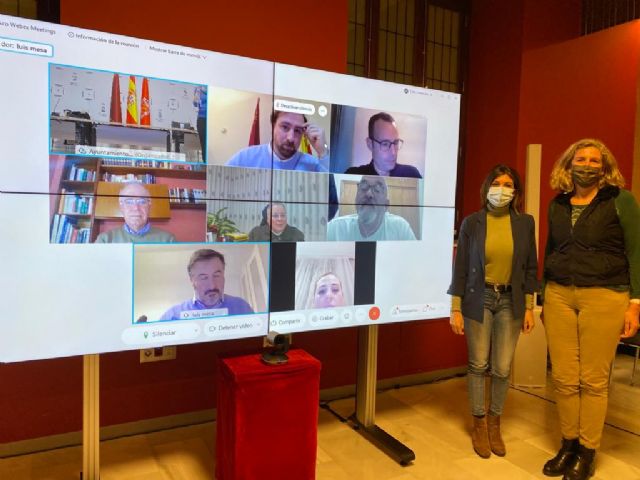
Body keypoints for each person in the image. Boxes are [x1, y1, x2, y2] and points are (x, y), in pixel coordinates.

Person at [541, 139, 640, 480]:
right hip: (559, 295)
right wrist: (544, 295)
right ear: (568, 165)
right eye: (580, 159)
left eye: (594, 160)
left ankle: (587, 451)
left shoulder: (621, 201)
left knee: (593, 380)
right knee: (564, 377)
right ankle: (568, 444)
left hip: (605, 295)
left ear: (605, 166)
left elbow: (636, 252)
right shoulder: (558, 203)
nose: (587, 165)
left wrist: (635, 304)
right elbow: (551, 250)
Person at [448, 164, 537, 459]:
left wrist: (529, 306)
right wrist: (456, 308)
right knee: (478, 364)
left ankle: (495, 423)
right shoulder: (472, 223)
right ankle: (479, 424)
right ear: (487, 188)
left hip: (511, 300)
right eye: (497, 183)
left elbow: (530, 268)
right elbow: (460, 268)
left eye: (508, 184)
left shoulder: (525, 223)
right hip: (479, 297)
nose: (502, 189)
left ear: (516, 191)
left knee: (502, 367)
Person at [160, 249, 254, 321]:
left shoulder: (242, 307)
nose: (212, 286)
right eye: (204, 277)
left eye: (216, 275)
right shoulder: (173, 315)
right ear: (192, 280)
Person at [226, 110, 329, 172]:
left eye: (297, 130)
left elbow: (333, 197)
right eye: (285, 127)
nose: (290, 138)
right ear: (273, 126)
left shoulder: (313, 165)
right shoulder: (244, 158)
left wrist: (323, 151)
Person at [327, 176, 416, 241]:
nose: (369, 193)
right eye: (363, 187)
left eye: (377, 189)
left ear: (386, 205)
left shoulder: (400, 229)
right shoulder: (334, 229)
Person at [344, 112, 421, 178]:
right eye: (385, 144)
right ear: (370, 144)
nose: (393, 152)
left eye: (396, 143)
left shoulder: (412, 174)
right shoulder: (352, 176)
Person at [95, 182, 176, 243]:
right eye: (129, 202)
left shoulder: (168, 240)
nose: (136, 208)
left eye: (142, 201)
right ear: (121, 207)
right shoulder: (104, 240)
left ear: (149, 206)